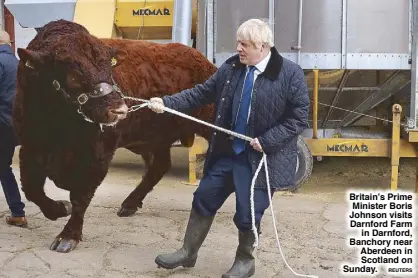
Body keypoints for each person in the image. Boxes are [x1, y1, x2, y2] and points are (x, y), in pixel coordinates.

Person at [149, 18, 309, 277]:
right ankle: (188, 252)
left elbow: (298, 118)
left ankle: (245, 260)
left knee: (247, 213)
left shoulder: (290, 74)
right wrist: (166, 102)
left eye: (245, 44)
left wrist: (267, 140)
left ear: (263, 46)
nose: (239, 48)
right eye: (238, 43)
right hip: (227, 153)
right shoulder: (232, 68)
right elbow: (201, 93)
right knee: (204, 197)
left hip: (260, 160)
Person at [0, 30, 27, 228]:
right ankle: (17, 212)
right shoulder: (21, 65)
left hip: (2, 125)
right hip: (16, 126)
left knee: (3, 168)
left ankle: (18, 212)